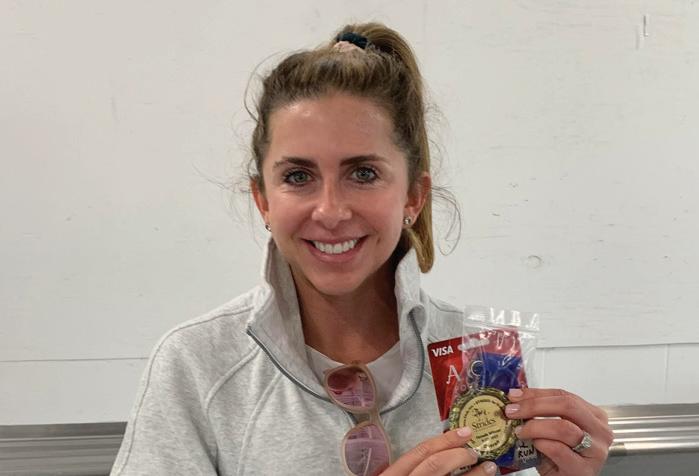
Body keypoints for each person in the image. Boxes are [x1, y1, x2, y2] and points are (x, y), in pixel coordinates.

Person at [110, 23, 613, 476]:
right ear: (262, 199)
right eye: (298, 176)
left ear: (413, 196)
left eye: (364, 173)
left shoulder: (481, 363)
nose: (330, 211)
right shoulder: (197, 365)